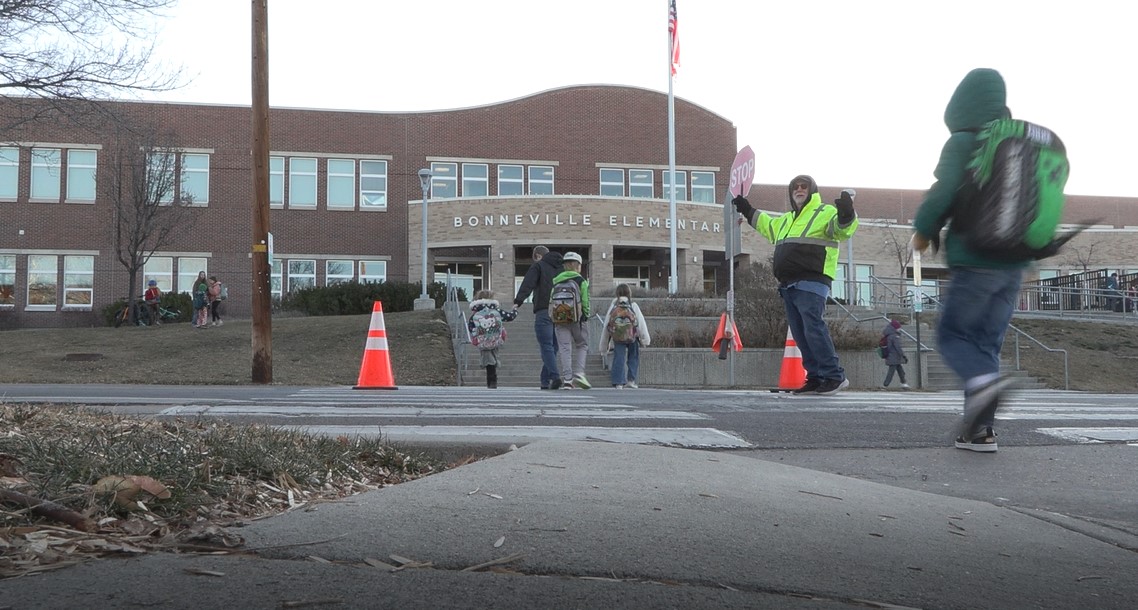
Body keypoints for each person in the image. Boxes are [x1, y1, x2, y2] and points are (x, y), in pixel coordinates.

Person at [911, 68, 1023, 453]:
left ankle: (982, 390)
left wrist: (925, 228)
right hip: (1015, 264)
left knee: (953, 335)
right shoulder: (1021, 144)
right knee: (984, 346)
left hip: (977, 257)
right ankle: (980, 431)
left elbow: (944, 192)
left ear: (959, 103)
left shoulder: (964, 141)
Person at [732, 176, 858, 395]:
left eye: (804, 186)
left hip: (813, 280)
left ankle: (834, 376)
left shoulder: (825, 212)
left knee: (812, 327)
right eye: (795, 187)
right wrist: (747, 209)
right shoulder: (787, 219)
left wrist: (847, 212)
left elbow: (843, 229)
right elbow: (766, 225)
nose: (799, 190)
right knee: (801, 333)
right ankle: (816, 377)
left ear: (812, 190)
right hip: (789, 285)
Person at [512, 246, 565, 390]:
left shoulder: (538, 266)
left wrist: (518, 302)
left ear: (537, 256)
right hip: (562, 311)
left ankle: (554, 376)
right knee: (554, 346)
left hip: (544, 310)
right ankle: (545, 380)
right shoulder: (563, 268)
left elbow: (528, 284)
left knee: (546, 345)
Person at [598, 283, 651, 389]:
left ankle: (618, 382)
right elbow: (641, 324)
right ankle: (631, 380)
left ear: (617, 294)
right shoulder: (633, 306)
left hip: (618, 337)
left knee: (618, 358)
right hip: (632, 337)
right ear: (629, 293)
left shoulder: (614, 307)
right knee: (633, 357)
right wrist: (645, 340)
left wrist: (603, 347)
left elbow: (606, 326)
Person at [551, 251, 591, 389]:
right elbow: (585, 301)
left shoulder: (556, 281)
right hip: (577, 319)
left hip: (559, 320)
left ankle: (567, 380)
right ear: (578, 265)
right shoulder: (581, 281)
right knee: (582, 345)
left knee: (564, 348)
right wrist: (585, 314)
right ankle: (579, 373)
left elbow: (551, 301)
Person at [467, 290, 518, 389]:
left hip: (483, 340)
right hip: (495, 338)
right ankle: (493, 378)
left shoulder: (476, 313)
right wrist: (515, 310)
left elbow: (471, 326)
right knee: (493, 356)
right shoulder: (496, 311)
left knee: (487, 358)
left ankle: (491, 380)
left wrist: (475, 335)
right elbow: (510, 317)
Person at [881, 319, 909, 389]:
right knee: (891, 372)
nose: (900, 329)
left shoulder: (888, 335)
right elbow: (898, 347)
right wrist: (903, 355)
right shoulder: (894, 336)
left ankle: (904, 383)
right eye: (898, 328)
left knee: (900, 371)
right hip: (894, 356)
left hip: (891, 356)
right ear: (895, 328)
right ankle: (885, 385)